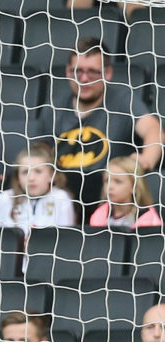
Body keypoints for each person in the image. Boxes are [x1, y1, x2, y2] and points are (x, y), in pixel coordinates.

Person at [34, 37, 163, 217]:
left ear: (107, 73)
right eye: (77, 71)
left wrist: (146, 160)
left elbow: (153, 129)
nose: (84, 79)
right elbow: (40, 152)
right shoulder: (54, 107)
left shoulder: (122, 101)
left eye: (92, 72)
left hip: (103, 195)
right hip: (60, 196)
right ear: (67, 72)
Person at [0, 142, 77, 235]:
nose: (31, 178)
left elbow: (67, 239)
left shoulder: (61, 198)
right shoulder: (5, 198)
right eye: (25, 172)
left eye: (38, 171)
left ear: (51, 175)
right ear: (18, 176)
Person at [88, 156, 163, 228]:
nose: (110, 187)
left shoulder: (148, 218)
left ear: (135, 187)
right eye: (107, 181)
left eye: (118, 182)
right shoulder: (100, 214)